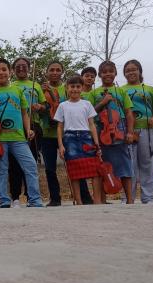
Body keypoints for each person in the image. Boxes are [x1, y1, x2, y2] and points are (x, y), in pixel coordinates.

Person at [0, 58, 43, 208]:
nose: (1, 72)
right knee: (0, 170)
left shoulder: (17, 90)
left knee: (30, 166)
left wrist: (28, 129)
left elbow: (24, 113)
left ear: (10, 72)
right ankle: (4, 201)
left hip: (18, 138)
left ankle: (35, 200)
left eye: (4, 69)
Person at [86, 60, 135, 204]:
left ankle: (130, 200)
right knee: (102, 167)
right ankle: (102, 200)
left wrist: (130, 132)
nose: (108, 74)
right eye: (104, 72)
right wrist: (103, 102)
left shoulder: (121, 92)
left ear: (115, 73)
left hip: (119, 131)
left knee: (125, 166)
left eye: (110, 71)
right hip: (101, 133)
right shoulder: (94, 93)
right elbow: (89, 113)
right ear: (100, 74)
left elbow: (129, 113)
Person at [55, 75, 102, 205]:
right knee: (74, 171)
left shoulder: (87, 104)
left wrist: (96, 142)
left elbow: (92, 124)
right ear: (66, 88)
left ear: (82, 88)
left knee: (95, 170)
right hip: (70, 139)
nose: (75, 89)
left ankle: (97, 200)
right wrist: (61, 145)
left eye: (78, 86)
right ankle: (79, 201)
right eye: (72, 86)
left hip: (86, 137)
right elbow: (59, 127)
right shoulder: (62, 106)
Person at [122, 59, 153, 204]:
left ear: (140, 71)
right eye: (128, 70)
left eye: (134, 69)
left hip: (148, 130)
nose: (131, 72)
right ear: (124, 74)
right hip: (128, 131)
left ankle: (148, 197)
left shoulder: (150, 90)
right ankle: (128, 197)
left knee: (148, 164)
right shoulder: (121, 90)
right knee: (129, 165)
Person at [8, 57, 45, 208]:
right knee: (14, 163)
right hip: (16, 127)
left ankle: (31, 196)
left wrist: (39, 107)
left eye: (24, 66)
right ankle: (15, 197)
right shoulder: (11, 85)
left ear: (29, 68)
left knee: (30, 162)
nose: (21, 68)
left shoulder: (35, 85)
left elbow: (44, 106)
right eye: (18, 66)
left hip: (34, 126)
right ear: (13, 69)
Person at [40, 61, 66, 206]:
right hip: (47, 133)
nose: (55, 72)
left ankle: (81, 196)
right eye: (52, 70)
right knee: (50, 169)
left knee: (73, 166)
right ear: (47, 72)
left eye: (58, 70)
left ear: (62, 72)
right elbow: (40, 106)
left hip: (64, 133)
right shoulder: (41, 88)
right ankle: (55, 198)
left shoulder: (66, 88)